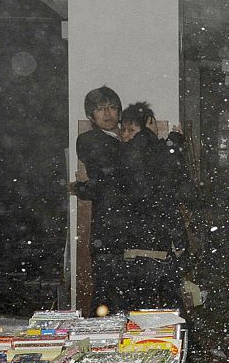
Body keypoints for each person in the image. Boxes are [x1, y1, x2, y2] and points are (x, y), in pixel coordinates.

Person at [118, 102, 193, 309]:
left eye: (132, 130)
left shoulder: (152, 154)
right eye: (123, 130)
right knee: (163, 308)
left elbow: (167, 196)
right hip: (147, 246)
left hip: (146, 245)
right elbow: (166, 197)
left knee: (154, 308)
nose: (126, 135)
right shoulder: (151, 154)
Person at [70, 85, 126, 313]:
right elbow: (108, 178)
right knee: (106, 295)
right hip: (108, 228)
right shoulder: (89, 139)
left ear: (119, 112)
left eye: (112, 108)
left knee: (130, 296)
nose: (107, 113)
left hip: (134, 230)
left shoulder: (128, 139)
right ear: (90, 116)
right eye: (100, 109)